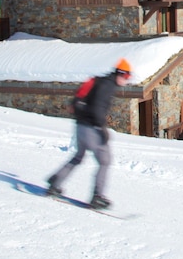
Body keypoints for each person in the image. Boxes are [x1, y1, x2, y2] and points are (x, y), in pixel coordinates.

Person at [47, 58, 133, 209]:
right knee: (104, 161)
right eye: (126, 77)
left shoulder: (100, 81)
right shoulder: (107, 86)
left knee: (78, 157)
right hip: (92, 128)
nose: (127, 80)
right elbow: (98, 108)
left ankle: (56, 181)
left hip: (80, 126)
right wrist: (102, 129)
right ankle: (97, 197)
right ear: (120, 74)